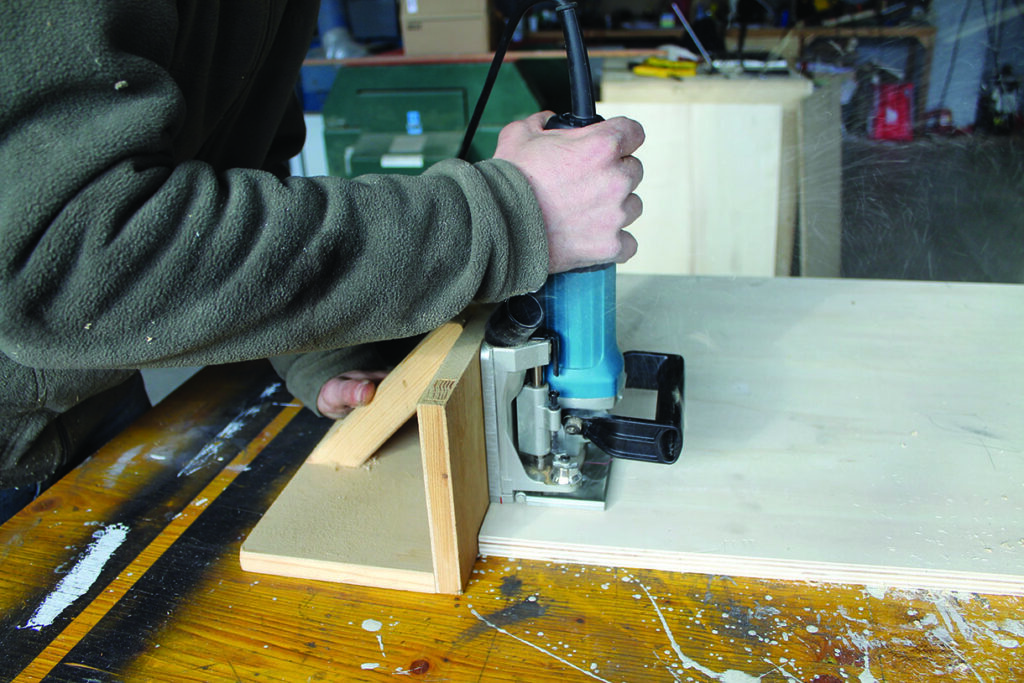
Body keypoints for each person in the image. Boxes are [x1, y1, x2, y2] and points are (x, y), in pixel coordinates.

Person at [0, 1, 644, 523]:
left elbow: (245, 175)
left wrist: (318, 339)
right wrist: (507, 213)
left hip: (89, 401)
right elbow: (71, 264)